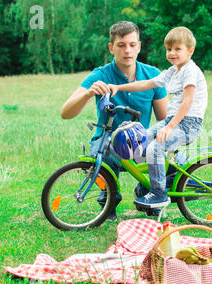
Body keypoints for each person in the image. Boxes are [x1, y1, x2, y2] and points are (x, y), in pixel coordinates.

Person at [60, 21, 168, 220]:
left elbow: (164, 118)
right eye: (121, 45)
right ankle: (108, 199)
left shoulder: (153, 76)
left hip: (140, 141)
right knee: (104, 157)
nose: (127, 50)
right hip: (107, 141)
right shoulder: (100, 75)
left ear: (139, 46)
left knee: (169, 158)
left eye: (132, 44)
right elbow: (66, 112)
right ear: (112, 48)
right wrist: (88, 94)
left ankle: (147, 192)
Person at [109, 26, 207, 208]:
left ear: (190, 51)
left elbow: (187, 102)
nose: (172, 53)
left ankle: (159, 193)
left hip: (188, 124)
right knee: (141, 139)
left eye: (178, 49)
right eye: (169, 49)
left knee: (155, 147)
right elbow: (146, 84)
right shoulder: (173, 71)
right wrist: (118, 87)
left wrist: (169, 128)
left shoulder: (190, 71)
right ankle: (156, 181)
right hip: (174, 120)